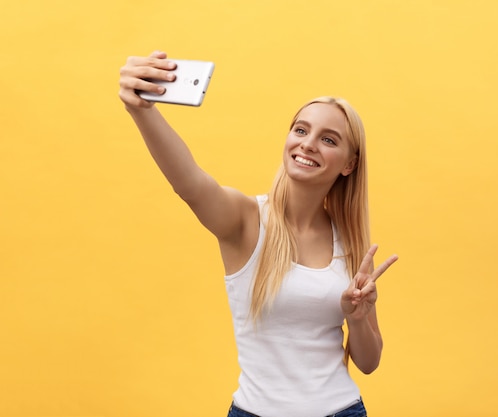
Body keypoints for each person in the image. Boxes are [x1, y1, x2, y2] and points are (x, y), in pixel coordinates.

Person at [118, 51, 398, 417]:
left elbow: (368, 361)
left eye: (329, 140)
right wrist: (142, 111)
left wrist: (359, 317)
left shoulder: (351, 242)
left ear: (349, 164)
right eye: (301, 129)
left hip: (341, 410)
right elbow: (189, 183)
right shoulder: (245, 220)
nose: (308, 143)